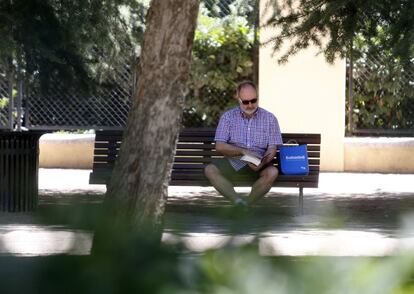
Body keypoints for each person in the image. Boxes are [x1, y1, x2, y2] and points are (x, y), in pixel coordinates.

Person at [204, 81, 283, 208]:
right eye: (245, 102)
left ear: (258, 97)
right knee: (210, 170)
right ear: (238, 99)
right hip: (234, 161)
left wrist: (264, 160)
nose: (250, 105)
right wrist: (243, 152)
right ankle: (237, 202)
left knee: (272, 172)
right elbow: (220, 146)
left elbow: (272, 146)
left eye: (253, 100)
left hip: (259, 162)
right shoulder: (228, 117)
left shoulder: (270, 118)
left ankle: (246, 204)